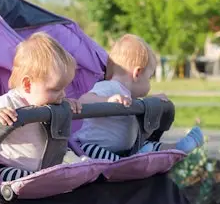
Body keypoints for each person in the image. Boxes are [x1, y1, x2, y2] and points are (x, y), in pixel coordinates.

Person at [0, 32, 82, 181]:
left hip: (48, 166)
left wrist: (70, 105)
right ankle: (43, 181)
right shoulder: (9, 103)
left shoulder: (53, 102)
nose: (62, 94)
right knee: (4, 176)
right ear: (28, 85)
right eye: (55, 89)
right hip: (12, 167)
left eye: (64, 88)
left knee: (76, 164)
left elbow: (62, 101)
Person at [74, 34, 203, 161]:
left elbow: (140, 130)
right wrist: (107, 100)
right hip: (93, 148)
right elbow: (83, 101)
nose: (149, 84)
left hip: (126, 150)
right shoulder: (109, 88)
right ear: (137, 73)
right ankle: (127, 163)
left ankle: (176, 148)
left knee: (149, 146)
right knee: (90, 151)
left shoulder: (129, 98)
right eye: (149, 78)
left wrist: (152, 101)